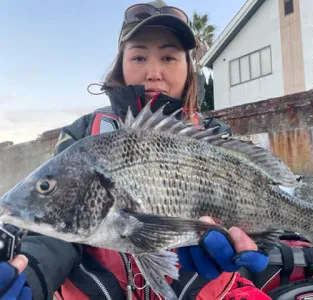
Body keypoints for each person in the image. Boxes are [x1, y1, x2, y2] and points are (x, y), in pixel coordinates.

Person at [0, 1, 273, 299]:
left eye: (169, 58)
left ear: (189, 70)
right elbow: (57, 232)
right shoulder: (81, 135)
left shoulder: (215, 137)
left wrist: (254, 248)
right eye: (139, 56)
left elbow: (261, 212)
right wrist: (31, 274)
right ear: (121, 65)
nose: (153, 72)